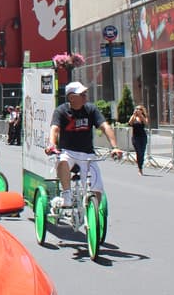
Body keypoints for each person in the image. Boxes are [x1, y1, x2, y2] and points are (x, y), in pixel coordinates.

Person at [45, 81, 123, 209]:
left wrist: (115, 147)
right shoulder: (61, 111)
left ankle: (93, 216)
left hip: (87, 154)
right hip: (67, 152)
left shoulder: (91, 109)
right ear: (71, 97)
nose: (85, 96)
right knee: (62, 161)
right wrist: (52, 144)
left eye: (85, 93)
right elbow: (55, 129)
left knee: (97, 189)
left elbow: (105, 127)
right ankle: (67, 195)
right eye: (82, 94)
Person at [128, 105, 149, 174]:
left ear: (142, 110)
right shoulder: (134, 117)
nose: (137, 110)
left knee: (142, 153)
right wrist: (134, 115)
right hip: (135, 137)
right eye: (136, 109)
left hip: (143, 137)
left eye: (139, 109)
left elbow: (146, 123)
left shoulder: (144, 117)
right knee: (138, 152)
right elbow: (130, 123)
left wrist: (141, 115)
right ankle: (140, 168)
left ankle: (140, 165)